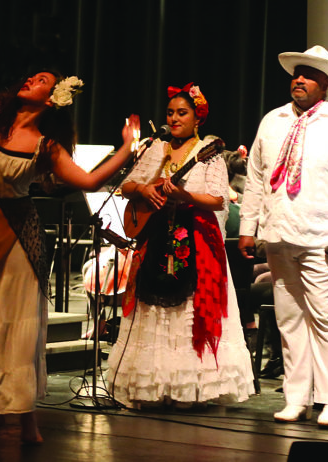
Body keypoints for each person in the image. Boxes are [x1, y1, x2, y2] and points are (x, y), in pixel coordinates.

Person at [0, 70, 141, 445]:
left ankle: (9, 416)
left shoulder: (46, 147)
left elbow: (89, 182)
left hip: (15, 241)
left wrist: (127, 146)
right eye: (32, 75)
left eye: (42, 79)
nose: (30, 78)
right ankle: (7, 417)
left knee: (10, 329)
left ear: (52, 98)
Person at [239, 45, 328, 427]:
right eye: (297, 73)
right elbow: (256, 178)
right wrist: (248, 228)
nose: (299, 79)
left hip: (324, 236)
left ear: (325, 84)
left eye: (309, 75)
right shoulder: (273, 120)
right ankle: (296, 396)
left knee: (326, 318)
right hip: (280, 234)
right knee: (289, 319)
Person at [107, 82, 254, 408]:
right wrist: (144, 190)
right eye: (170, 112)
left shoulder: (208, 153)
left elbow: (217, 199)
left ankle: (188, 388)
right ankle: (153, 386)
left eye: (182, 113)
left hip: (195, 240)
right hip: (155, 236)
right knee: (153, 310)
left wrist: (184, 195)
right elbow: (127, 185)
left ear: (197, 118)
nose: (174, 118)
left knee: (187, 311)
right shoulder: (156, 148)